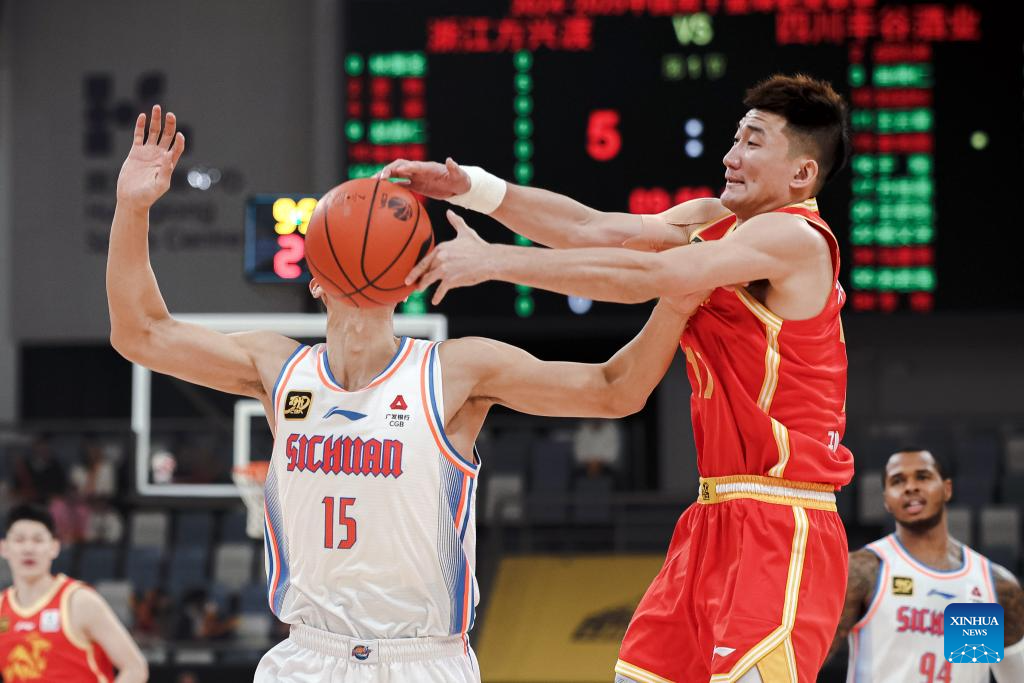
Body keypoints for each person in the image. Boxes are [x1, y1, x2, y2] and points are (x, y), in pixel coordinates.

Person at [106, 107, 710, 682]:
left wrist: (679, 297)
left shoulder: (456, 371)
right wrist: (132, 208)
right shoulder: (278, 368)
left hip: (422, 659)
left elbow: (613, 390)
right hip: (306, 655)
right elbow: (141, 333)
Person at [382, 73, 854, 682]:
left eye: (753, 143)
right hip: (713, 514)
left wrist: (497, 262)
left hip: (782, 523)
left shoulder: (794, 237)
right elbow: (588, 228)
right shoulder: (712, 220)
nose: (730, 156)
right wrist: (471, 187)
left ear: (801, 175)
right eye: (736, 138)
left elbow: (642, 278)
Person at [827, 449, 1024, 682]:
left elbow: (1015, 677)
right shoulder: (865, 570)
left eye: (923, 477)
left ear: (947, 489)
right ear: (886, 500)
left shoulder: (993, 584)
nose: (910, 487)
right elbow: (810, 662)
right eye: (898, 481)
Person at [0, 504, 148, 682]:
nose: (28, 549)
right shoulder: (1, 607)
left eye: (38, 540)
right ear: (4, 548)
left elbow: (135, 668)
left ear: (54, 547)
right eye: (19, 540)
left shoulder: (79, 601)